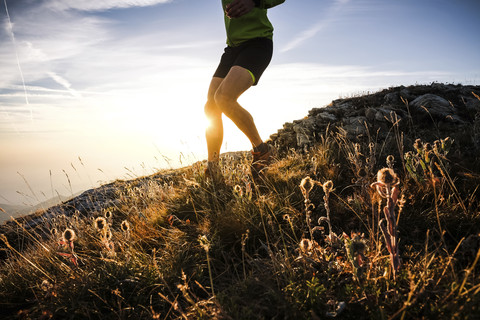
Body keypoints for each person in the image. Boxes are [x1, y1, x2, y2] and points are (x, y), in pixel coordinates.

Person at [204, 0, 285, 183]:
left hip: (257, 44)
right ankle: (214, 169)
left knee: (224, 98)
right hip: (232, 49)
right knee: (211, 106)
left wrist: (254, 1)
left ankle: (262, 150)